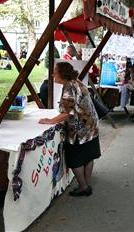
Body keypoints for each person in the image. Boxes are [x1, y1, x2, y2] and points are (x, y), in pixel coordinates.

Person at [39, 62, 100, 197]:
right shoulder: (75, 82)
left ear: (62, 75)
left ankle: (83, 187)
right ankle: (87, 184)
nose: (52, 74)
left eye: (55, 71)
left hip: (80, 127)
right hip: (91, 125)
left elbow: (67, 112)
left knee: (75, 158)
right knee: (88, 155)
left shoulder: (69, 88)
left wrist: (50, 121)